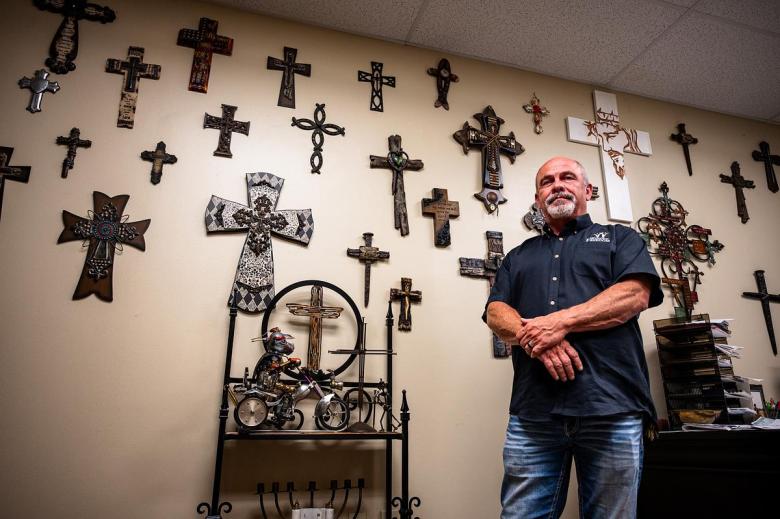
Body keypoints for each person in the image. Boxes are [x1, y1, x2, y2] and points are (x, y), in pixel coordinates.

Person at [484, 156, 663, 519]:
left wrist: (559, 323)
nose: (557, 185)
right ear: (538, 199)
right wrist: (537, 338)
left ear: (588, 190)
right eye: (547, 181)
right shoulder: (518, 257)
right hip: (534, 415)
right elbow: (496, 312)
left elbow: (634, 295)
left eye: (568, 177)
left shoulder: (620, 239)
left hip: (612, 408)